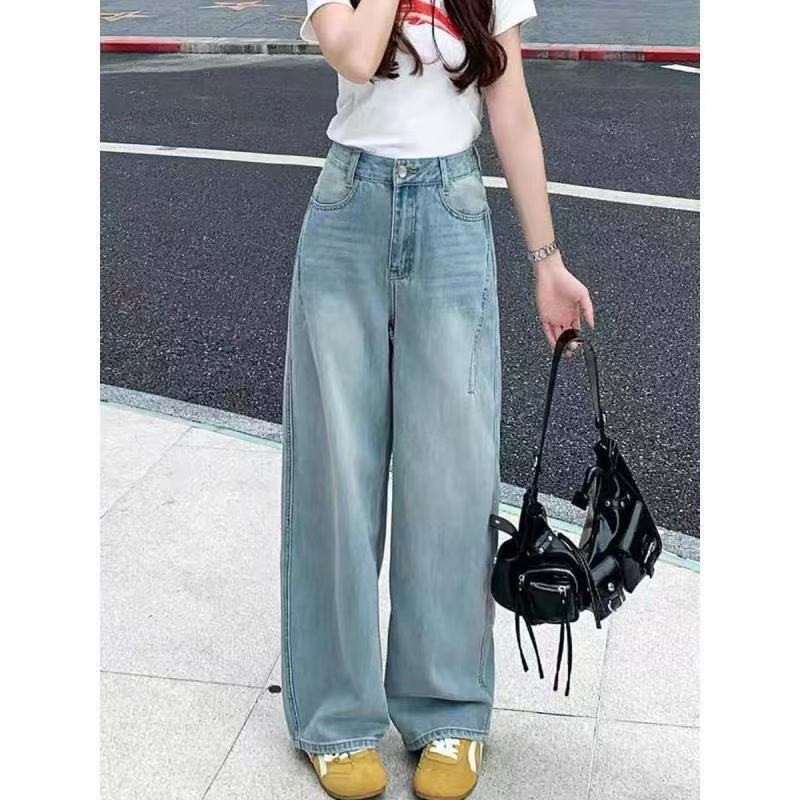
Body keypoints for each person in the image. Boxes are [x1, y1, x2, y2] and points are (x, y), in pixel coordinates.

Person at [279, 1, 595, 798]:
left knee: (451, 478)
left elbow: (511, 108)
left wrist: (546, 261)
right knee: (336, 475)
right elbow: (354, 53)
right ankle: (336, 717)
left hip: (452, 211)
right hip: (347, 209)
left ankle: (449, 711)